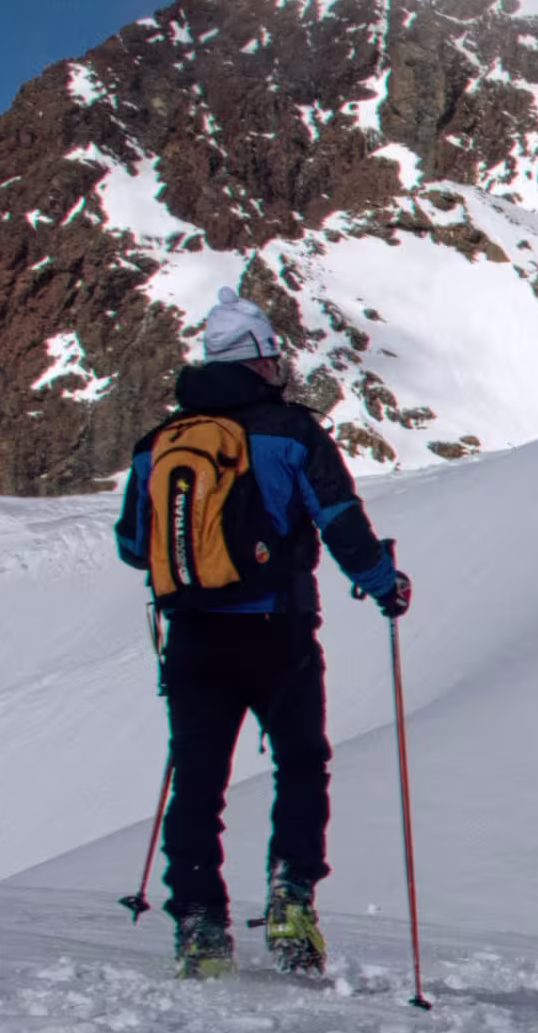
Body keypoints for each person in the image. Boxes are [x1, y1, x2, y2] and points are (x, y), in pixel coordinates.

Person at [115, 294, 408, 975]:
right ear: (260, 360)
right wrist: (383, 582)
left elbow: (132, 545)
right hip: (280, 630)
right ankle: (290, 896)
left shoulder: (159, 443)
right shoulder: (292, 433)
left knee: (197, 780)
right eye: (273, 355)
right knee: (300, 764)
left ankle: (198, 922)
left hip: (192, 634)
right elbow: (339, 519)